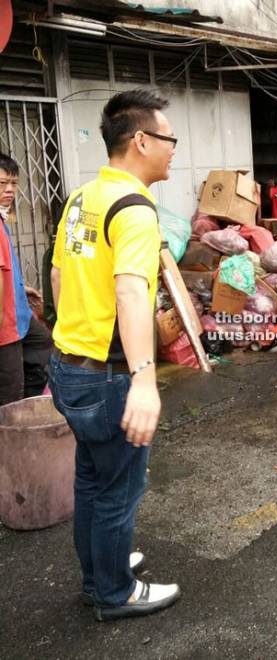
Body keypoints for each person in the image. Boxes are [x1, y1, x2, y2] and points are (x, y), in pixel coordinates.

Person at [48, 89, 181, 620]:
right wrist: (144, 382)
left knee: (92, 479)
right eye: (169, 139)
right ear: (141, 140)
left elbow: (59, 275)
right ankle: (113, 592)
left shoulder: (83, 198)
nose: (174, 148)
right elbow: (131, 292)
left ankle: (99, 570)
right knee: (119, 489)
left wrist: (72, 344)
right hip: (107, 379)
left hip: (69, 368)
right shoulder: (135, 209)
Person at [0, 153, 52, 406]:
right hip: (4, 326)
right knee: (9, 394)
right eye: (2, 184)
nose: (9, 190)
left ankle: (28, 413)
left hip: (19, 315)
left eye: (13, 182)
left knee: (43, 350)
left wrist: (21, 288)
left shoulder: (3, 219)